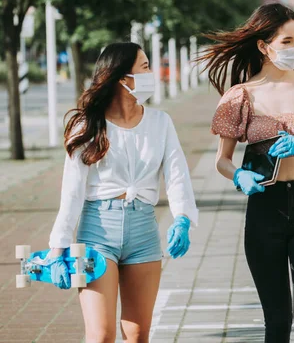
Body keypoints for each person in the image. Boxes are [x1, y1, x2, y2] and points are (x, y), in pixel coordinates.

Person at [201, 3, 294, 343]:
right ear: (264, 46)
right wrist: (238, 176)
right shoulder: (240, 96)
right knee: (277, 323)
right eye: (286, 41)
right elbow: (222, 159)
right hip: (266, 207)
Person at [47, 42, 198, 342]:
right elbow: (72, 193)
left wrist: (182, 218)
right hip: (97, 234)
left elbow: (177, 173)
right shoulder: (87, 125)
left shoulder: (160, 122)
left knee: (138, 334)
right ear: (121, 78)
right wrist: (58, 246)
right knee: (101, 335)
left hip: (143, 231)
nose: (151, 73)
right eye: (144, 67)